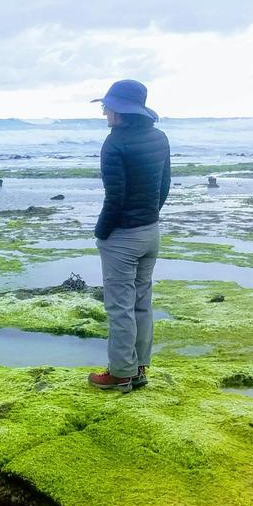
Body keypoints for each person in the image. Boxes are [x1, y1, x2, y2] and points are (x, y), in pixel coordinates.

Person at [86, 79, 171, 392]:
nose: (104, 112)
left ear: (120, 111)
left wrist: (102, 232)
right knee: (140, 302)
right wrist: (149, 218)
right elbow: (164, 186)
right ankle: (139, 369)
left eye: (107, 106)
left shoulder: (115, 143)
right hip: (151, 232)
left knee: (119, 306)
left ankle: (120, 372)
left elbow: (115, 197)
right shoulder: (159, 138)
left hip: (122, 237)